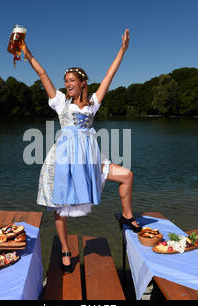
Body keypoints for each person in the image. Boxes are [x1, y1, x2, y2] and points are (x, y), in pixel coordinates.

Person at [23, 29, 140, 273]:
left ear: (82, 83)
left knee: (126, 175)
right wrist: (27, 52)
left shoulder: (93, 104)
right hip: (64, 159)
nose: (67, 85)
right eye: (65, 81)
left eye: (72, 81)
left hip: (89, 159)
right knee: (60, 207)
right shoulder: (59, 102)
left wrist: (123, 50)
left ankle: (127, 216)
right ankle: (66, 249)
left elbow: (110, 74)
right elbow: (42, 73)